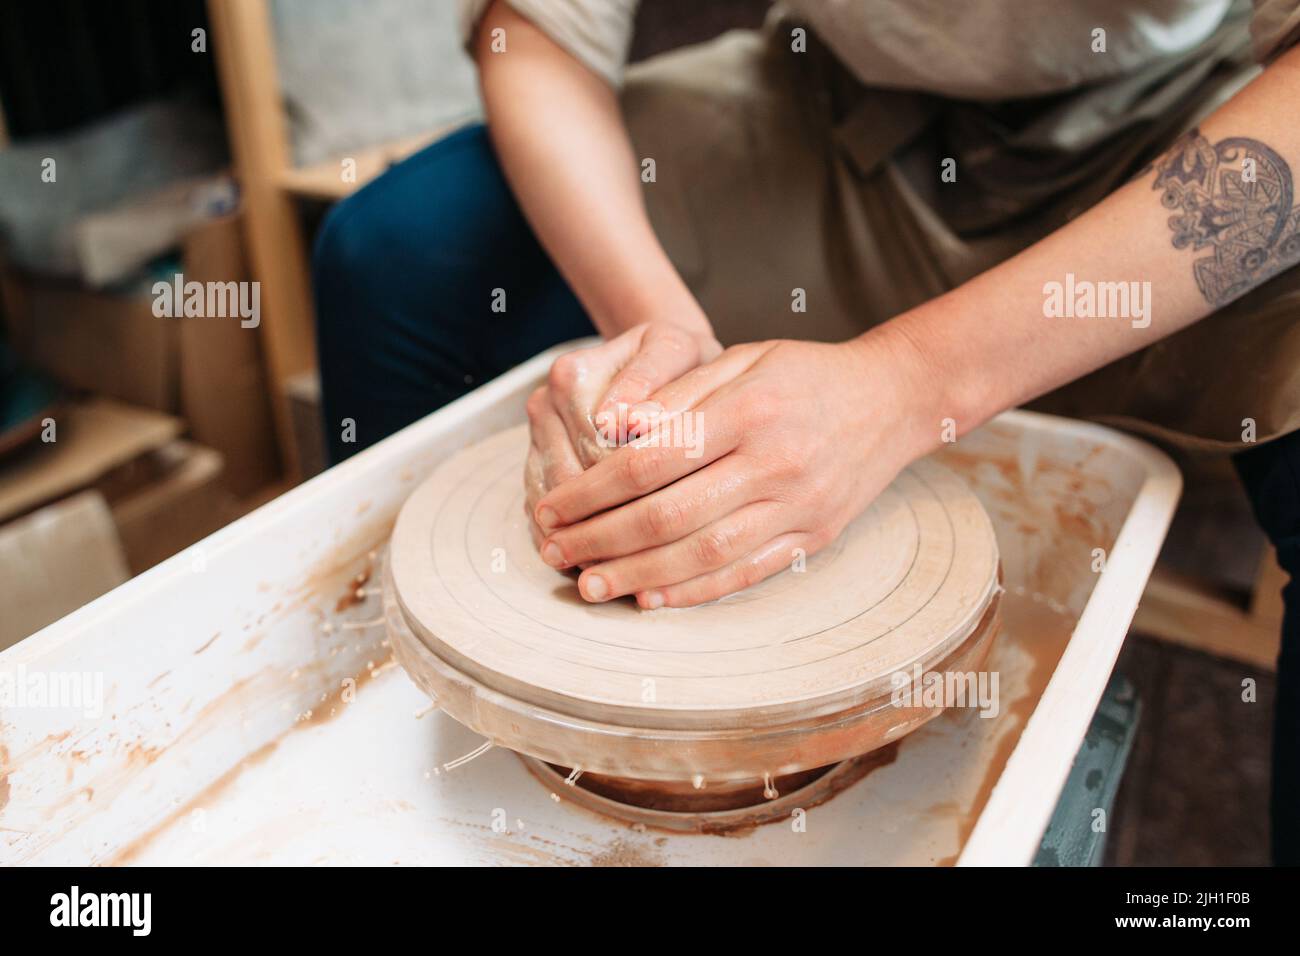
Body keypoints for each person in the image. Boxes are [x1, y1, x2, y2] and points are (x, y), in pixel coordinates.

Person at [313, 0, 1300, 861]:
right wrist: (661, 332)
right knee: (394, 256)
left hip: (1175, 131)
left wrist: (910, 381)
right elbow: (533, 29)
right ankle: (404, 785)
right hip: (833, 112)